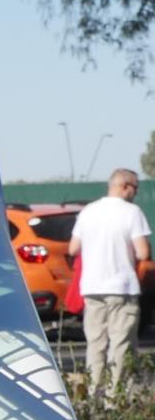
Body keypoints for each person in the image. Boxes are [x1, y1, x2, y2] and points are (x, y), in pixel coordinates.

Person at [72, 169, 151, 395]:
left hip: (92, 288)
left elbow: (73, 248)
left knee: (95, 344)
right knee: (120, 345)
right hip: (121, 288)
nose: (135, 193)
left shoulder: (88, 211)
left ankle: (92, 395)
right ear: (125, 186)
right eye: (135, 187)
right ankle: (114, 399)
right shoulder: (131, 212)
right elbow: (143, 252)